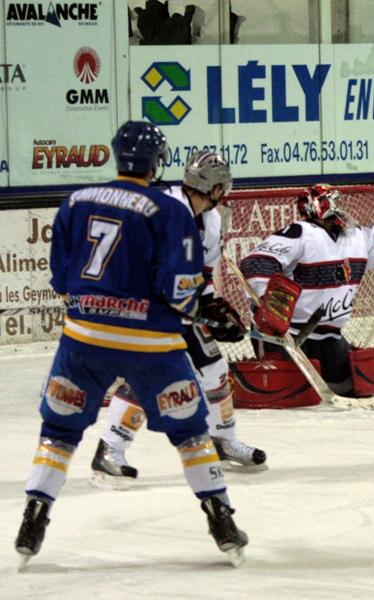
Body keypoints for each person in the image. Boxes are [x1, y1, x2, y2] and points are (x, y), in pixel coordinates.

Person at [14, 121, 247, 567]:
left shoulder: (75, 201)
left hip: (83, 342)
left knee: (59, 433)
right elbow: (178, 289)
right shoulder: (170, 210)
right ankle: (221, 520)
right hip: (152, 347)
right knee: (191, 433)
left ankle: (34, 516)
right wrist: (203, 312)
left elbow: (61, 278)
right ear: (157, 162)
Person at [91, 150, 267, 490]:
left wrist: (213, 307)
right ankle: (110, 449)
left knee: (214, 368)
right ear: (215, 188)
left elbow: (201, 274)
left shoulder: (211, 220)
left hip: (175, 305)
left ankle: (223, 439)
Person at [238, 183, 374, 397]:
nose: (341, 209)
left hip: (328, 337)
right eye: (334, 202)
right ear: (319, 206)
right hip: (286, 336)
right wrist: (270, 305)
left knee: (359, 382)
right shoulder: (301, 233)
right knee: (288, 390)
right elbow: (256, 263)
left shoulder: (357, 237)